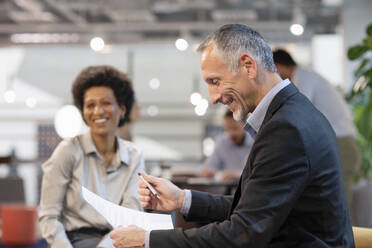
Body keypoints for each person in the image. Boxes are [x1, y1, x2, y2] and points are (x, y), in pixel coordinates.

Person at [109, 24, 354, 247]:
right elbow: (254, 208)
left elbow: (243, 233)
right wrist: (182, 199)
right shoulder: (292, 113)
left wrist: (148, 240)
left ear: (248, 66)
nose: (213, 97)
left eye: (215, 81)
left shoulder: (286, 128)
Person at [39, 65, 145, 248]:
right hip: (73, 241)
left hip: (119, 242)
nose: (98, 111)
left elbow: (131, 215)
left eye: (106, 103)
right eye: (90, 105)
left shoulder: (135, 156)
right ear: (83, 112)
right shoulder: (67, 151)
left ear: (122, 109)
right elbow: (48, 217)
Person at [272, 48, 361, 206]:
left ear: (277, 66)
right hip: (337, 144)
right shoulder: (304, 77)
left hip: (341, 145)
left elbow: (296, 113)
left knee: (337, 206)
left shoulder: (305, 79)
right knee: (331, 205)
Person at [200, 109, 253, 181]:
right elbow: (207, 168)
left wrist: (237, 175)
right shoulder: (222, 142)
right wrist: (209, 172)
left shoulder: (256, 141)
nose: (231, 133)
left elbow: (260, 173)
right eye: (227, 129)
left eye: (235, 128)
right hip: (228, 189)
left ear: (245, 125)